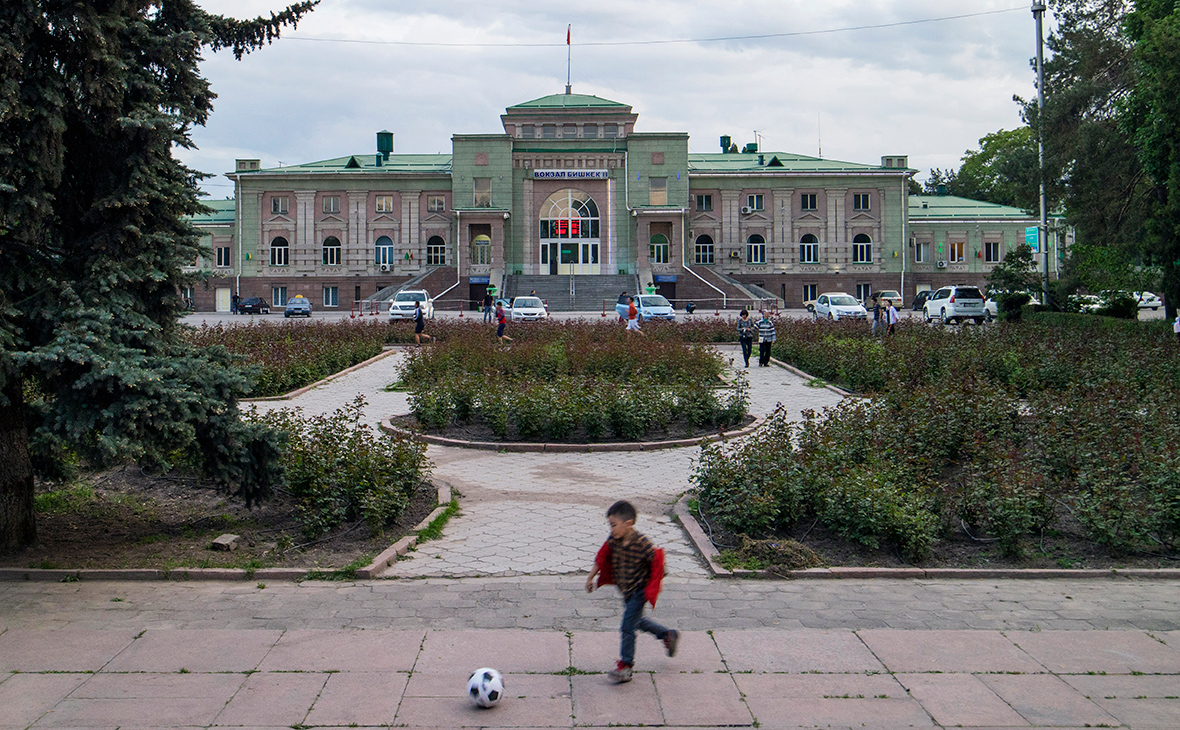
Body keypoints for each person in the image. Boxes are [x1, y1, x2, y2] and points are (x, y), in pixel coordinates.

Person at [586, 500, 678, 684]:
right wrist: (591, 577)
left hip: (639, 591)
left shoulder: (643, 544)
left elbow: (659, 565)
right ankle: (667, 634)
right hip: (625, 590)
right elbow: (602, 557)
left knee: (627, 626)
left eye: (614, 525)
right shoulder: (614, 539)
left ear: (628, 524)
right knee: (636, 621)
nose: (611, 529)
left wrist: (652, 585)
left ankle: (626, 666)